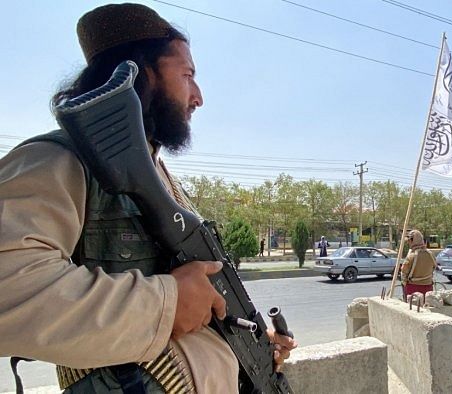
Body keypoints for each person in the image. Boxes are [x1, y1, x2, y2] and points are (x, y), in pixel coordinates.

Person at [0, 4, 296, 392]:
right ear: (141, 73)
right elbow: (10, 286)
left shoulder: (158, 177)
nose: (198, 97)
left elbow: (198, 308)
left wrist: (252, 343)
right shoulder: (58, 159)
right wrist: (165, 303)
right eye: (187, 75)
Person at [400, 230, 437, 296]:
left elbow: (404, 272)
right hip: (428, 287)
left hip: (413, 288)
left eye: (409, 241)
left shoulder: (412, 256)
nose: (408, 243)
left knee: (412, 305)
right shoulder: (430, 254)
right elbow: (434, 267)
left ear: (412, 241)